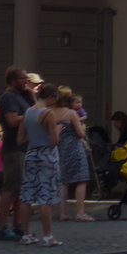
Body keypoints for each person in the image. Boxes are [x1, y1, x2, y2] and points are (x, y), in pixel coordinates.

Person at [0, 66, 37, 242]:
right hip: (14, 148)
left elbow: (37, 110)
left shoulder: (23, 96)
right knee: (10, 187)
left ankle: (17, 225)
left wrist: (31, 96)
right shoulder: (8, 97)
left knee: (21, 188)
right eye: (21, 78)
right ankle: (2, 227)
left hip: (25, 147)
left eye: (26, 78)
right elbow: (12, 121)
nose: (25, 81)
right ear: (12, 81)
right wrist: (29, 113)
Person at [18, 83, 62, 246]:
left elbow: (20, 139)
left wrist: (34, 137)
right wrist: (57, 131)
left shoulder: (28, 112)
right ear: (50, 98)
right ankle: (48, 236)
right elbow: (54, 141)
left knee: (27, 194)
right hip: (47, 156)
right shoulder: (48, 114)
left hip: (31, 154)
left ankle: (26, 234)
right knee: (45, 196)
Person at [55, 87, 93, 222]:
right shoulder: (71, 113)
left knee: (63, 182)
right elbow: (80, 133)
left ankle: (63, 213)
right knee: (81, 179)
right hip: (74, 148)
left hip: (61, 149)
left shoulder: (51, 112)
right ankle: (80, 212)